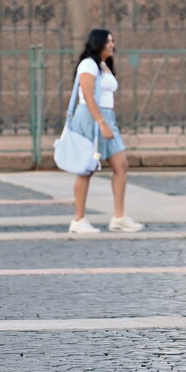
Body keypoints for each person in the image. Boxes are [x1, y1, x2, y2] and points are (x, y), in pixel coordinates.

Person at [67, 29, 143, 234]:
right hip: (92, 118)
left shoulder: (103, 65)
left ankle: (119, 217)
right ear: (98, 43)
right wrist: (101, 122)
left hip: (107, 118)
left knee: (121, 164)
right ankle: (78, 219)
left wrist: (106, 121)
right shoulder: (88, 65)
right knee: (86, 168)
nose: (112, 44)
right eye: (108, 41)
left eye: (113, 41)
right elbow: (88, 95)